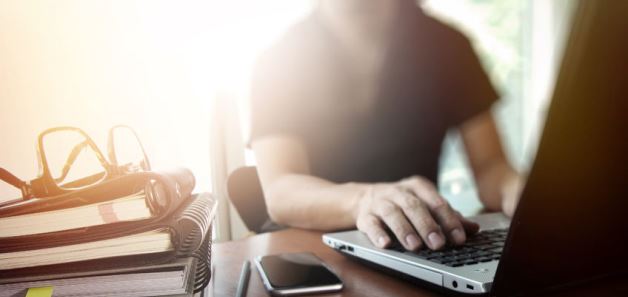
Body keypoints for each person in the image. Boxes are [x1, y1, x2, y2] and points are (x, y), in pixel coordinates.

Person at [249, 0, 522, 251]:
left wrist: (520, 192)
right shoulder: (278, 60)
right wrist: (364, 200)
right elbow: (281, 191)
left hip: (416, 247)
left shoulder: (450, 46)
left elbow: (491, 166)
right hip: (313, 251)